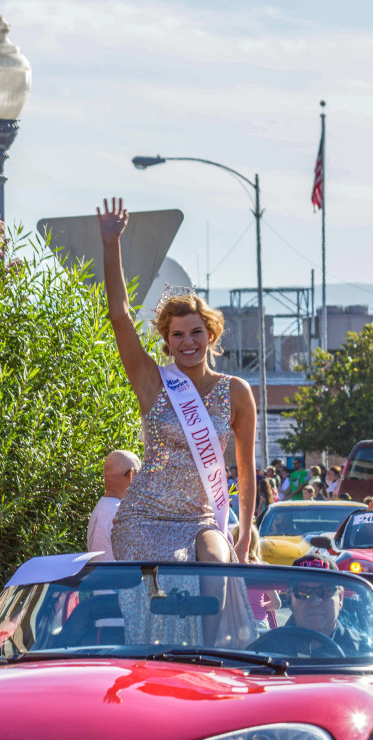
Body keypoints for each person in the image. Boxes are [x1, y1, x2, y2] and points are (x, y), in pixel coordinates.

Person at [98, 198, 256, 563]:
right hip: (144, 519)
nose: (188, 342)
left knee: (217, 571)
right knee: (157, 606)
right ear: (167, 342)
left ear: (211, 335)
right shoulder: (154, 382)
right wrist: (111, 243)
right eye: (178, 335)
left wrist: (245, 533)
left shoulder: (235, 392)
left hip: (201, 519)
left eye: (196, 332)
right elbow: (120, 317)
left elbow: (246, 470)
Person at [87, 450, 141, 557]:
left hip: (103, 573)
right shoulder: (120, 514)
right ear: (131, 475)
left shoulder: (100, 509)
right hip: (118, 574)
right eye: (140, 473)